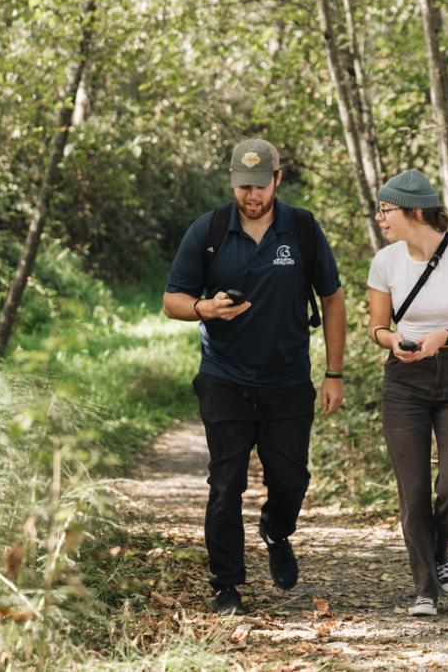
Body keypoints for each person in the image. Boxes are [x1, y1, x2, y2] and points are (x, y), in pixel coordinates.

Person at [163, 138, 346, 616]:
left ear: (277, 181)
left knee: (291, 479)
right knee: (226, 484)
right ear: (233, 184)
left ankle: (277, 529)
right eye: (243, 186)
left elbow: (332, 298)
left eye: (260, 186)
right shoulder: (210, 230)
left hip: (287, 381)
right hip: (224, 379)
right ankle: (227, 585)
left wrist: (334, 372)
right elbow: (173, 300)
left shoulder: (302, 229)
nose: (252, 196)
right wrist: (205, 308)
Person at [367, 169, 448, 616]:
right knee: (413, 490)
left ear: (415, 211)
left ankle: (440, 544)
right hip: (404, 382)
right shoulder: (385, 261)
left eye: (386, 210)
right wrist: (395, 343)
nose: (380, 217)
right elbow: (377, 328)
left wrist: (444, 336)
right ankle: (425, 588)